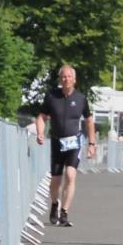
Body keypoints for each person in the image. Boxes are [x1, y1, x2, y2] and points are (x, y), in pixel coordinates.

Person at [35, 65, 96, 227]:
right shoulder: (51, 97)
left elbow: (89, 121)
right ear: (60, 79)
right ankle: (55, 203)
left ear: (74, 80)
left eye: (69, 77)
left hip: (74, 142)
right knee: (55, 180)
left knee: (70, 175)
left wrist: (91, 143)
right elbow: (41, 117)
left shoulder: (81, 98)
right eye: (63, 77)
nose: (66, 79)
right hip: (56, 141)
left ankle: (64, 212)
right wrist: (40, 132)